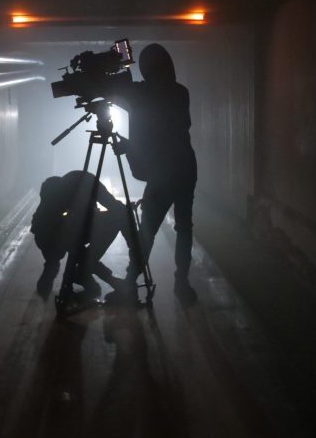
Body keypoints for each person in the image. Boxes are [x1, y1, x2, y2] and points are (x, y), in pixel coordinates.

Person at [103, 43, 198, 301]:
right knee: (184, 227)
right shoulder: (180, 92)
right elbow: (168, 130)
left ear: (146, 69)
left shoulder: (140, 94)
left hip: (163, 171)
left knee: (147, 229)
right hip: (186, 166)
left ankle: (131, 280)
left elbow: (119, 94)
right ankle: (182, 284)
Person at [31, 170, 128, 299]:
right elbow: (78, 251)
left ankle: (60, 271)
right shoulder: (71, 190)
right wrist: (110, 279)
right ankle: (77, 274)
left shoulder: (67, 187)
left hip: (51, 232)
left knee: (54, 261)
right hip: (54, 232)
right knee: (65, 254)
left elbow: (112, 206)